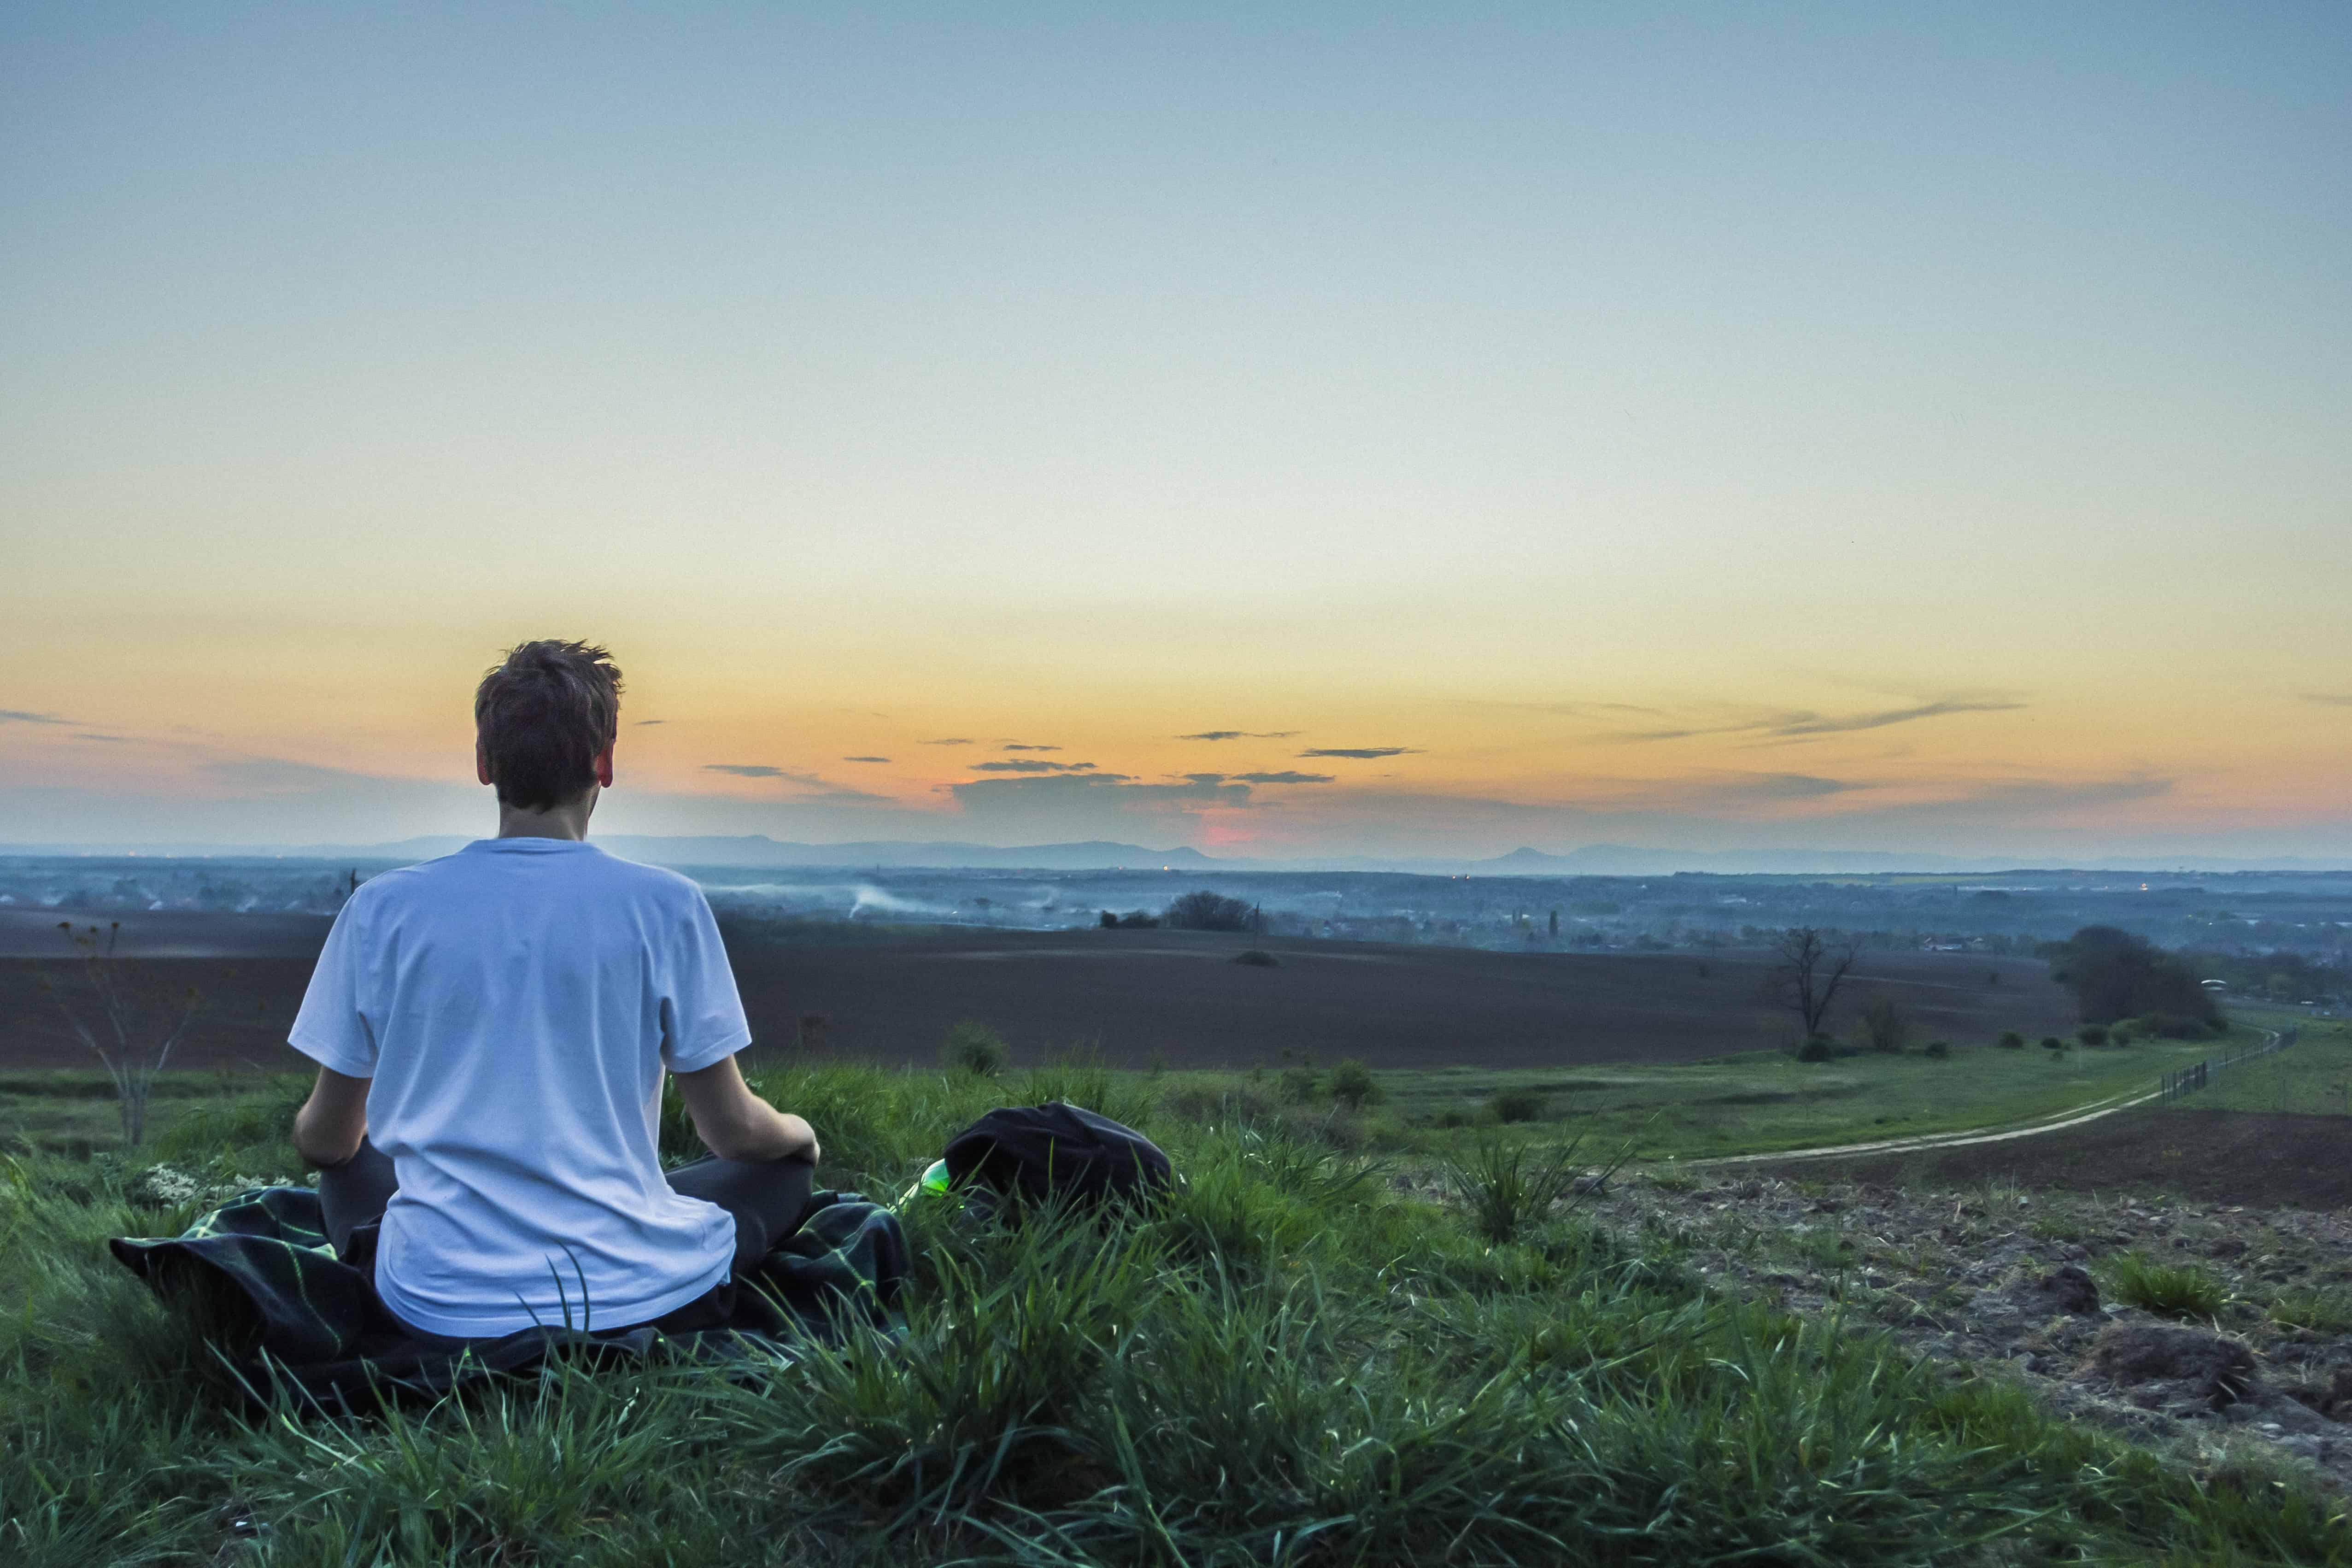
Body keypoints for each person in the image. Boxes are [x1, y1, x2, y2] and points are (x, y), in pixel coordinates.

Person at [286, 640, 820, 1344]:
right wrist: (800, 1137)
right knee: (776, 1173)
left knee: (351, 1165)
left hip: (436, 1301)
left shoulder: (382, 910)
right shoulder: (666, 906)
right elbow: (733, 1134)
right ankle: (637, 1226)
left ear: (485, 765)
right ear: (604, 763)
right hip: (630, 1290)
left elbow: (325, 1142)